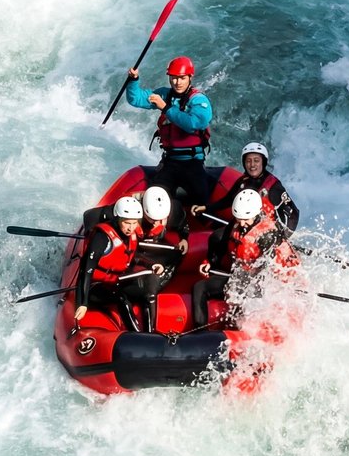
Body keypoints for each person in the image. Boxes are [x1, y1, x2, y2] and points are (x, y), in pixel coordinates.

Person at [190, 188, 299, 329]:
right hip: (240, 275)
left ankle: (238, 333)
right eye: (239, 219)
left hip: (264, 283)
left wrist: (246, 278)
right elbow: (223, 241)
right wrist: (209, 262)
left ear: (256, 214)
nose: (241, 224)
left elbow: (269, 273)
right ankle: (200, 333)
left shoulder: (267, 236)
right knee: (199, 287)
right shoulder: (238, 223)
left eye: (245, 220)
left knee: (240, 290)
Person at [125, 56, 213, 207]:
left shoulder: (199, 100)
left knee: (202, 201)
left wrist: (165, 108)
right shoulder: (165, 95)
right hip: (170, 162)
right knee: (154, 200)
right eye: (173, 78)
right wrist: (133, 80)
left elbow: (194, 123)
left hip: (193, 162)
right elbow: (136, 99)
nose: (177, 82)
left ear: (190, 77)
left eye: (181, 78)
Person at [73, 195, 162, 332]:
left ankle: (151, 333)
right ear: (118, 218)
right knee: (121, 298)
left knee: (147, 293)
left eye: (134, 223)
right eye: (127, 223)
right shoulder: (102, 237)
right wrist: (82, 303)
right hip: (95, 286)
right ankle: (138, 335)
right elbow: (86, 270)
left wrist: (150, 265)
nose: (130, 228)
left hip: (117, 281)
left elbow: (133, 257)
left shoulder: (132, 235)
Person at [196, 142, 300, 232]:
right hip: (243, 223)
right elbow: (228, 200)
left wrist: (283, 236)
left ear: (263, 162)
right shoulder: (243, 181)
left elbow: (293, 213)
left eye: (256, 160)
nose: (252, 165)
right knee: (216, 239)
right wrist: (206, 208)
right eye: (248, 161)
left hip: (264, 231)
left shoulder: (274, 187)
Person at [123, 186, 185, 332]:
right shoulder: (133, 211)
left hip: (158, 249)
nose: (157, 224)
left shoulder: (173, 209)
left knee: (176, 255)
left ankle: (154, 286)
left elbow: (183, 226)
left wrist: (185, 238)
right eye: (152, 220)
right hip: (138, 251)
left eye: (160, 220)